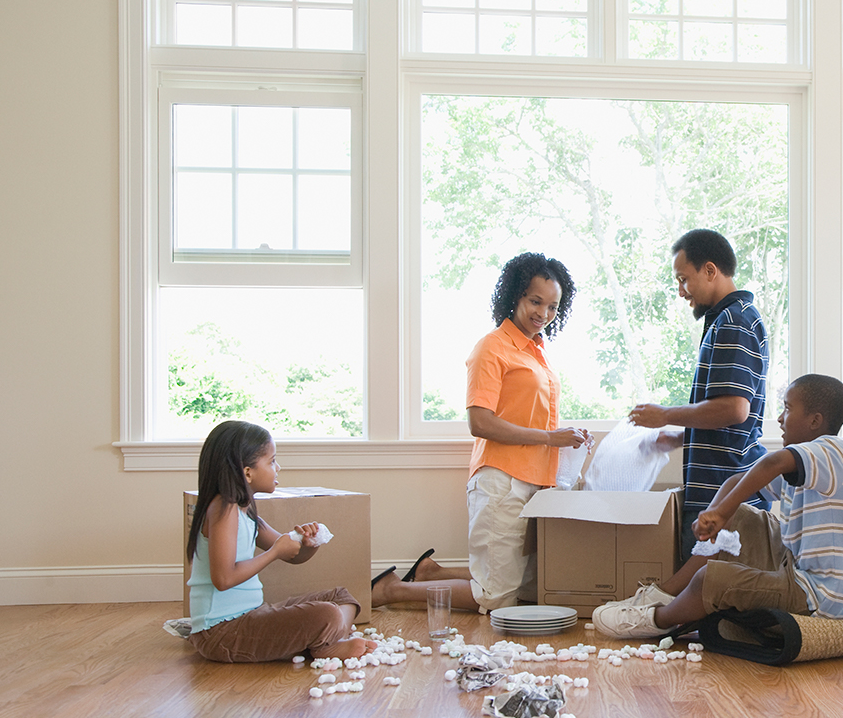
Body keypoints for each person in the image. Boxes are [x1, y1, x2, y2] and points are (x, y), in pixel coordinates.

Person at [378, 252, 588, 613]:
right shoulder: (492, 347)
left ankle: (431, 573)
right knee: (496, 597)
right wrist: (550, 438)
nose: (543, 313)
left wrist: (566, 438)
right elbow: (480, 422)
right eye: (535, 301)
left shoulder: (538, 351)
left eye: (553, 306)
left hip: (536, 481)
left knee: (526, 581)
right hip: (501, 481)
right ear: (516, 296)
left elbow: (529, 416)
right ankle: (391, 590)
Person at [593, 374, 843, 640]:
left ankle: (656, 620)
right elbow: (737, 481)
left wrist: (721, 512)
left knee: (710, 580)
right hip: (796, 568)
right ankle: (664, 594)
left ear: (815, 420)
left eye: (787, 408)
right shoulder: (805, 463)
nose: (780, 418)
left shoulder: (837, 451)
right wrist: (715, 514)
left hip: (823, 597)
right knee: (739, 515)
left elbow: (772, 463)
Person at [627, 228, 769, 562]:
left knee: (707, 587)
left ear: (709, 270)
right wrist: (681, 437)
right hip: (718, 487)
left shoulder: (734, 321)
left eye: (683, 279)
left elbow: (734, 409)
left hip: (721, 490)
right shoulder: (728, 320)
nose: (681, 291)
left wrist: (665, 414)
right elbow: (729, 419)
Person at [185, 420, 377, 663]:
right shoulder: (224, 509)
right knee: (326, 614)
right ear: (248, 472)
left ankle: (325, 639)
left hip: (252, 614)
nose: (278, 467)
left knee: (341, 597)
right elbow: (223, 579)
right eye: (272, 461)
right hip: (220, 632)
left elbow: (292, 555)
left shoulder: (246, 512)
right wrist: (274, 552)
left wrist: (308, 544)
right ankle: (325, 644)